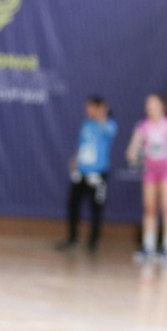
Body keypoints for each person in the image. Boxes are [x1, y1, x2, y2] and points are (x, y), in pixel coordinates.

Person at [125, 93, 167, 266]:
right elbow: (133, 148)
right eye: (148, 104)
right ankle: (149, 247)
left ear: (163, 106)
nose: (150, 107)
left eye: (154, 104)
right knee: (149, 209)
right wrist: (133, 155)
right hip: (150, 172)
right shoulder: (143, 126)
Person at [57, 95, 118, 252]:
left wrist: (102, 113)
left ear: (99, 107)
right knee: (73, 204)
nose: (87, 110)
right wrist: (74, 158)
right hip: (81, 173)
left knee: (96, 207)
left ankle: (93, 242)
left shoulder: (109, 124)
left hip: (97, 174)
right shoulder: (86, 124)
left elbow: (108, 132)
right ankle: (73, 238)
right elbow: (81, 144)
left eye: (90, 107)